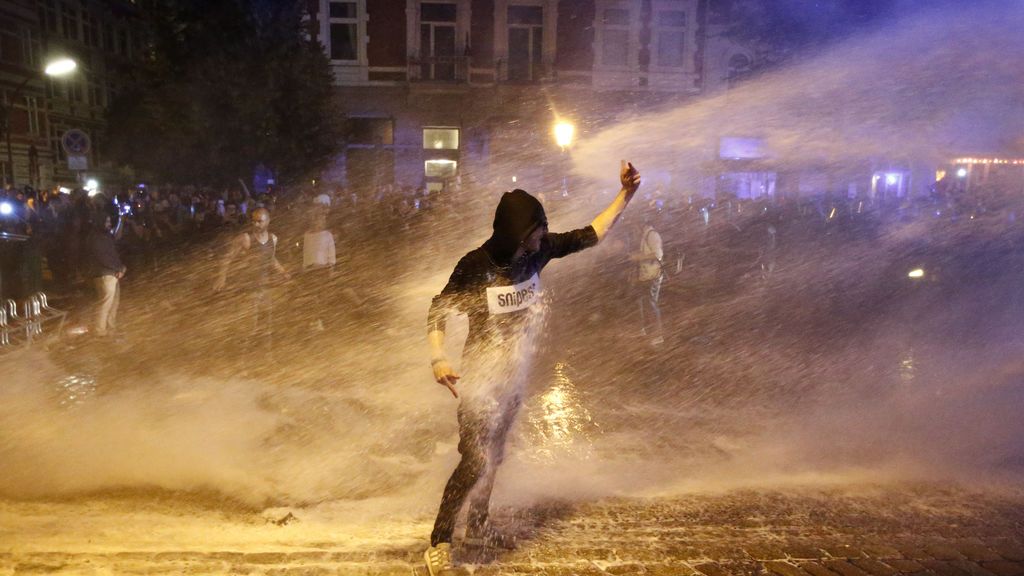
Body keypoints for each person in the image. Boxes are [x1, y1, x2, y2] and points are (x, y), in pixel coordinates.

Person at [422, 161, 642, 575]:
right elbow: (439, 308)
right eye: (539, 227)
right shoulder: (477, 265)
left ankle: (479, 525)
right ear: (520, 232)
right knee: (473, 460)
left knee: (496, 456)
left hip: (512, 377)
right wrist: (438, 358)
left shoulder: (538, 253)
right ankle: (439, 540)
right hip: (480, 379)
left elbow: (591, 234)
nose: (545, 234)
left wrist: (625, 195)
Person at [212, 207, 290, 337]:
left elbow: (271, 259)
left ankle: (264, 352)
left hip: (265, 285)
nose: (256, 224)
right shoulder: (245, 238)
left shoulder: (273, 238)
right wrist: (222, 277)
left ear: (268, 221)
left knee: (267, 324)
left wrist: (283, 272)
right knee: (250, 326)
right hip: (247, 286)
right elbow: (227, 258)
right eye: (254, 221)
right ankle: (245, 352)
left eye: (260, 221)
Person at [85, 202, 125, 338]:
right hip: (104, 275)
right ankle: (100, 331)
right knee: (105, 304)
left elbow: (113, 251)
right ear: (100, 222)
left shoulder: (105, 235)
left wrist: (121, 220)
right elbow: (102, 257)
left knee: (114, 304)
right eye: (107, 221)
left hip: (112, 274)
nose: (109, 224)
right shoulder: (95, 238)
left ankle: (110, 328)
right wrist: (117, 268)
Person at [632, 212, 665, 345]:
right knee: (642, 301)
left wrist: (639, 257)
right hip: (646, 275)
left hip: (653, 275)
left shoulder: (652, 235)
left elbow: (658, 255)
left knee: (651, 304)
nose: (634, 229)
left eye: (635, 225)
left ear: (642, 224)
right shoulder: (646, 235)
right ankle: (644, 329)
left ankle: (658, 335)